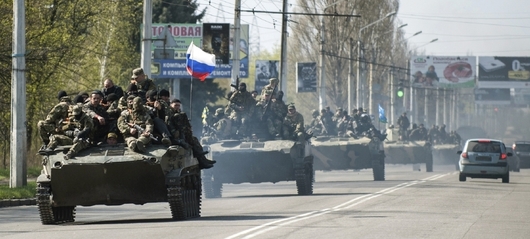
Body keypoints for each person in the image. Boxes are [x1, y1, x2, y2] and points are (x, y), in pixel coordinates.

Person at [168, 98, 216, 169]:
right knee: (191, 142)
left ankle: (203, 160)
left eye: (178, 105)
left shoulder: (177, 113)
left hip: (181, 133)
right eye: (175, 105)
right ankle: (202, 161)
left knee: (195, 140)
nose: (177, 107)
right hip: (174, 133)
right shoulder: (170, 113)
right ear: (171, 105)